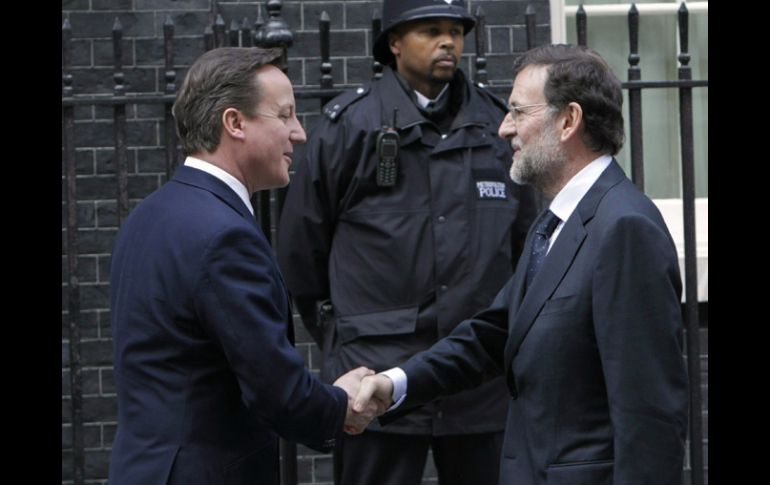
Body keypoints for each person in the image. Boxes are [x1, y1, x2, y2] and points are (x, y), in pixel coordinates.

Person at [354, 44, 690, 485]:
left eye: (517, 111)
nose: (503, 128)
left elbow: (649, 416)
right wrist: (396, 384)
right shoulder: (553, 223)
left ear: (568, 121)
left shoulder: (625, 228)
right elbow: (493, 334)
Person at [276, 1, 537, 484]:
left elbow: (526, 246)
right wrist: (339, 335)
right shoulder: (348, 127)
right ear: (394, 42)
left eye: (456, 32)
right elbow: (300, 253)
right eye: (431, 31)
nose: (448, 43)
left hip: (478, 382)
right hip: (373, 375)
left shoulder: (497, 126)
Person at [107, 47, 382, 485]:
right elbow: (278, 392)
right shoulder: (224, 236)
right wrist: (341, 404)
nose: (299, 134)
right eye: (286, 115)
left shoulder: (149, 214)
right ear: (234, 123)